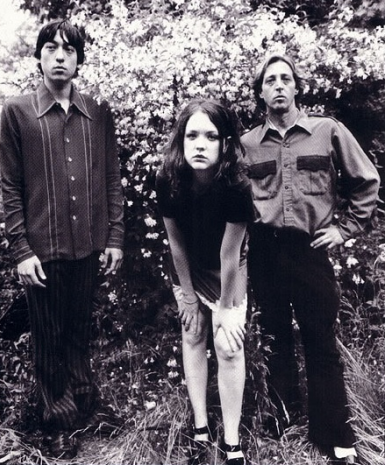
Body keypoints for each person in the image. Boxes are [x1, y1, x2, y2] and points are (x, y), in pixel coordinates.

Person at [241, 54, 380, 465]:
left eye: (286, 78)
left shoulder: (327, 130)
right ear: (261, 92)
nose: (279, 85)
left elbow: (366, 180)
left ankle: (334, 435)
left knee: (320, 340)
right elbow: (234, 200)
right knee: (274, 338)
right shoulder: (247, 144)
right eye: (270, 80)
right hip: (265, 252)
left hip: (310, 250)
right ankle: (283, 423)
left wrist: (344, 229)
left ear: (297, 87)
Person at [0, 20, 124, 459]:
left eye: (68, 50)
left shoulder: (98, 112)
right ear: (39, 56)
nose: (59, 56)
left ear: (78, 60)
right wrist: (21, 250)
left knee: (79, 330)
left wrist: (115, 236)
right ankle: (56, 423)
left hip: (88, 244)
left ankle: (85, 406)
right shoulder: (18, 112)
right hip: (42, 250)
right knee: (49, 339)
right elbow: (10, 187)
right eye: (51, 47)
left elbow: (111, 177)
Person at [156, 100, 252, 465]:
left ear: (225, 143)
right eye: (192, 135)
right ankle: (200, 428)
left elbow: (230, 255)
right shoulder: (167, 179)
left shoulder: (237, 186)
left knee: (228, 345)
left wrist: (226, 309)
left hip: (226, 268)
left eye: (211, 136)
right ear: (181, 140)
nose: (200, 144)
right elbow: (176, 244)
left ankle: (231, 442)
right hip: (188, 265)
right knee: (193, 332)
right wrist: (189, 298)